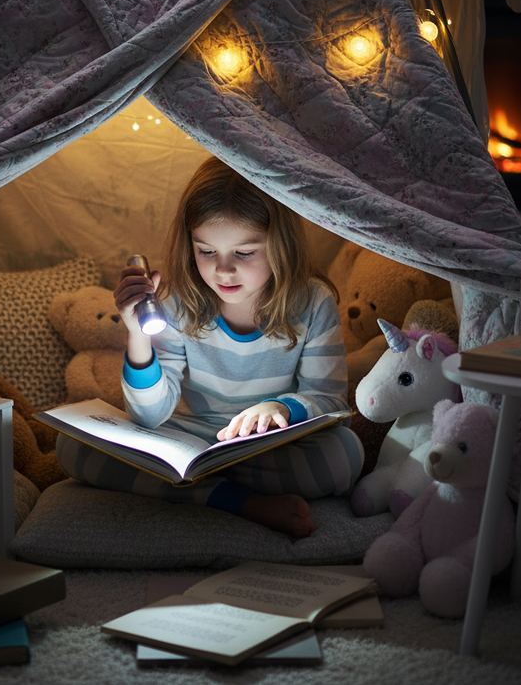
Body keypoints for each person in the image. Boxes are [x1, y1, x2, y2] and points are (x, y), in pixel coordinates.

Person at [55, 157, 363, 537]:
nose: (223, 270)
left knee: (345, 455)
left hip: (269, 447)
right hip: (192, 438)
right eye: (206, 251)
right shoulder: (177, 302)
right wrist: (138, 336)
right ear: (190, 246)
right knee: (73, 448)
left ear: (280, 246)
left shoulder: (313, 302)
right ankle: (235, 500)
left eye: (244, 253)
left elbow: (330, 403)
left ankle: (197, 489)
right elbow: (150, 416)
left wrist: (281, 408)